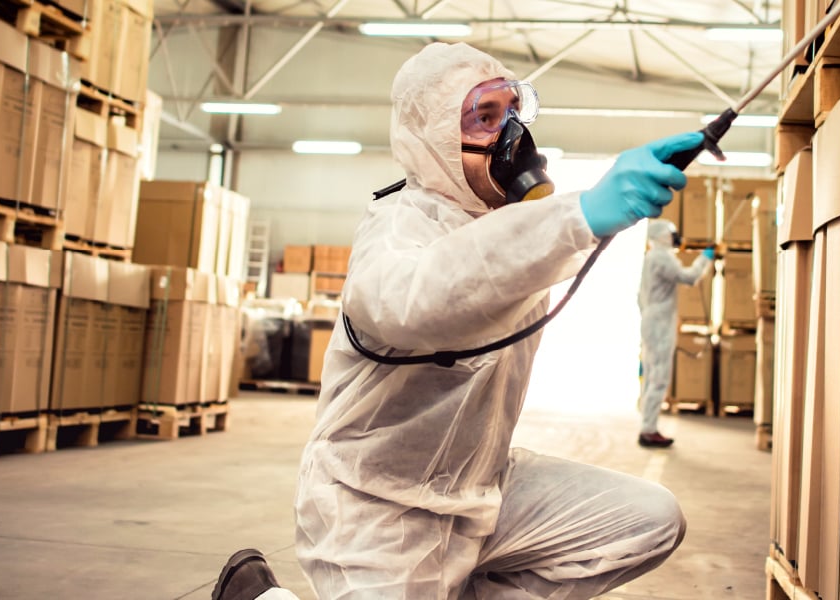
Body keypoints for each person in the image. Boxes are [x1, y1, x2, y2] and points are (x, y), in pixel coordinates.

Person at [213, 42, 707, 600]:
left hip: (481, 491)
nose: (511, 137)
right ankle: (258, 595)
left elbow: (498, 256)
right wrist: (578, 214)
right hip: (377, 507)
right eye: (486, 117)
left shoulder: (510, 227)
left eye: (513, 114)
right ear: (434, 136)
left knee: (649, 520)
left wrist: (566, 219)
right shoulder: (397, 225)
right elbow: (416, 301)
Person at [636, 220, 715, 449]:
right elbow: (688, 277)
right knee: (659, 376)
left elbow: (638, 295)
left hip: (650, 319)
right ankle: (649, 430)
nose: (675, 237)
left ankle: (647, 426)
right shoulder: (662, 256)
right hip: (660, 323)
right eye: (672, 234)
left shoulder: (650, 256)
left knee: (651, 375)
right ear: (662, 236)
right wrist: (705, 258)